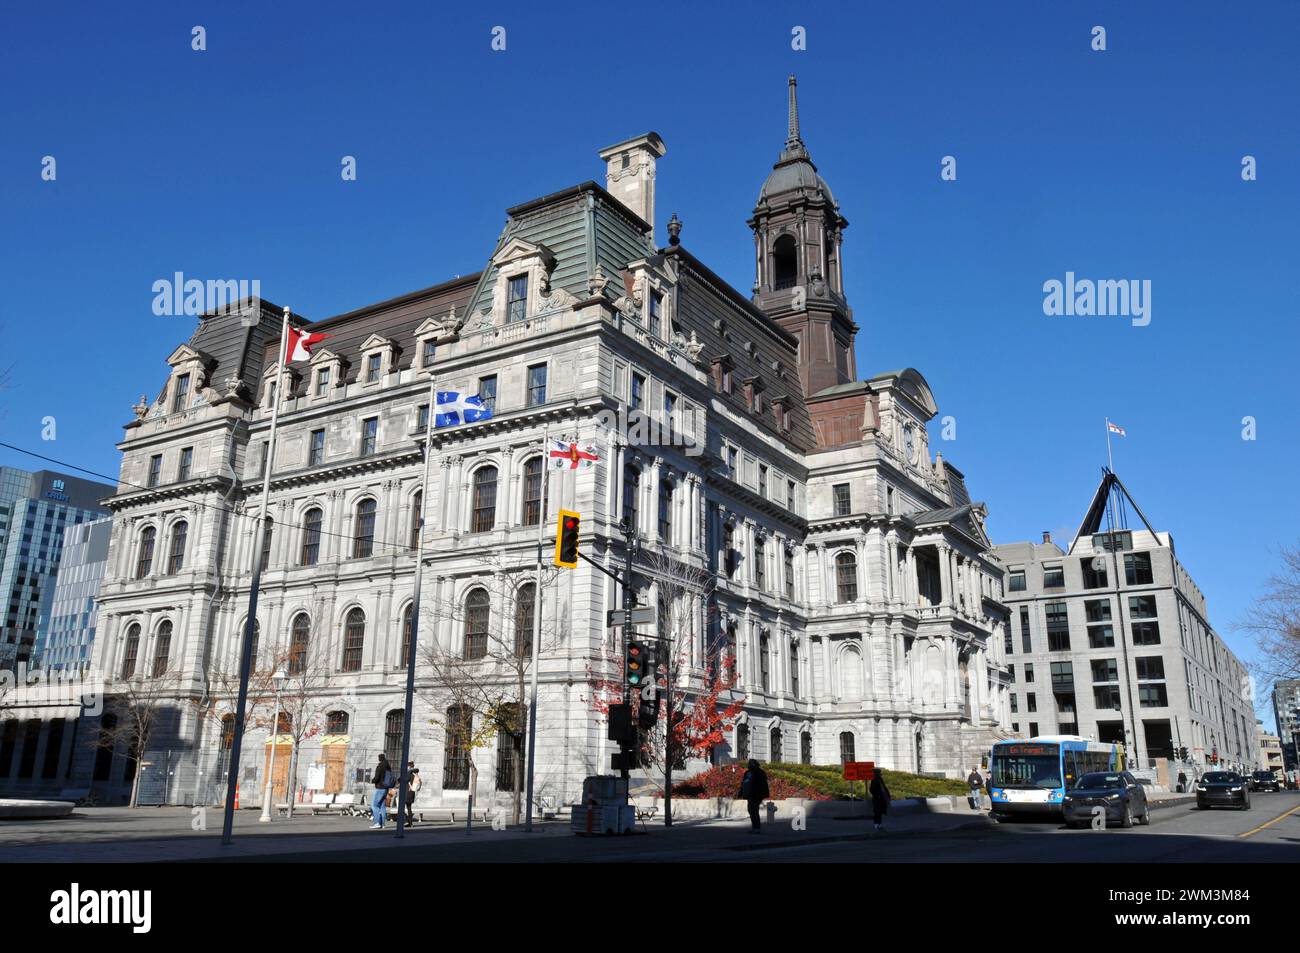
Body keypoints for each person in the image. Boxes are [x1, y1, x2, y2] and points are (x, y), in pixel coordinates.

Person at [738, 759, 770, 834]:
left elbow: (763, 785)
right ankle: (754, 827)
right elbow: (743, 783)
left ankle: (757, 828)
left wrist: (762, 794)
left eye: (751, 764)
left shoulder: (759, 772)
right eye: (749, 764)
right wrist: (741, 792)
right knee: (751, 810)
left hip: (756, 795)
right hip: (750, 794)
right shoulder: (748, 773)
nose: (749, 765)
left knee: (754, 810)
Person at [370, 753, 393, 829]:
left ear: (379, 759)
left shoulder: (380, 766)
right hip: (386, 788)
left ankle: (377, 822)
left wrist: (372, 780)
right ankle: (383, 824)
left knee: (374, 805)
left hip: (380, 788)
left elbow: (376, 778)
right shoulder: (388, 766)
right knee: (382, 806)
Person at [869, 767, 891, 832]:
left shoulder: (879, 780)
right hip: (877, 799)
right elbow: (871, 790)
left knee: (880, 811)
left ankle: (879, 824)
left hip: (881, 798)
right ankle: (876, 825)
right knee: (877, 812)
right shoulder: (875, 780)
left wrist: (887, 796)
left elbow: (884, 788)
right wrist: (877, 795)